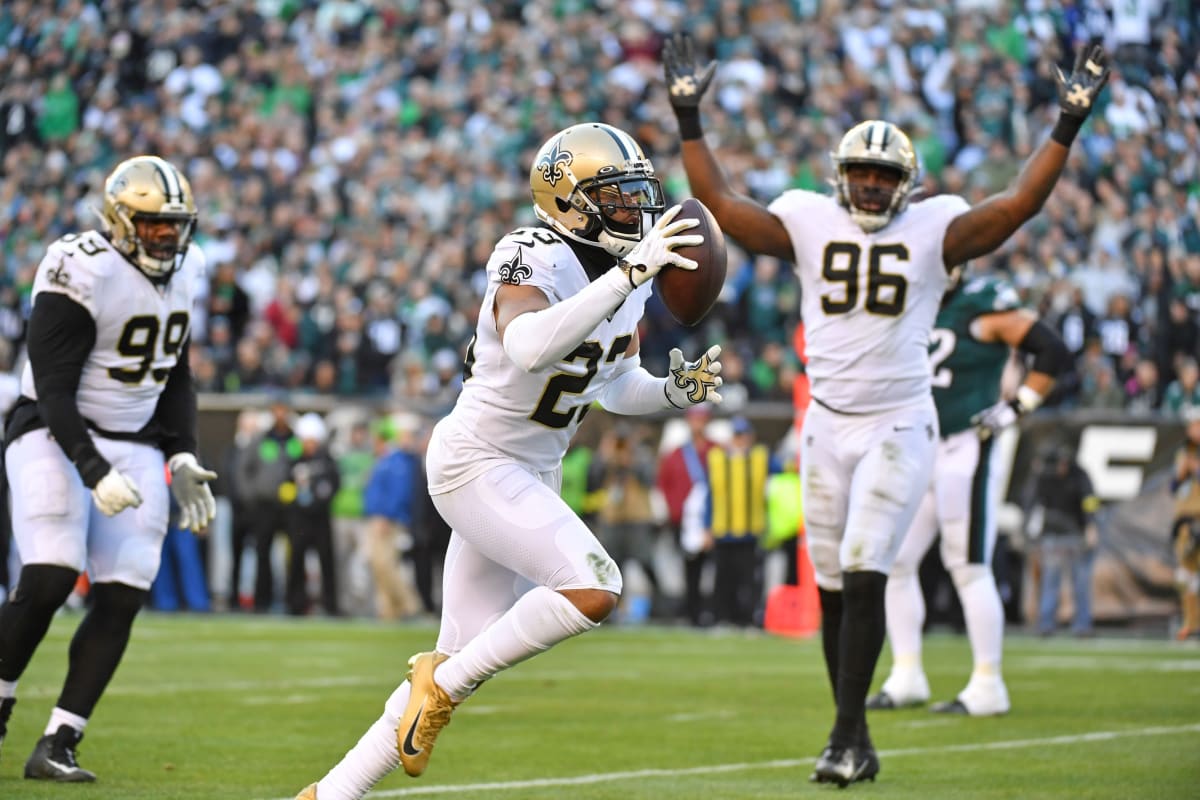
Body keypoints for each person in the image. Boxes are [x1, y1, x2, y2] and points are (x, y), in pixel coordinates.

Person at [662, 31, 1109, 786]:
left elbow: (1019, 205)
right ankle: (854, 731)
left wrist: (1066, 123)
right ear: (842, 178)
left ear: (908, 182)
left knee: (870, 569)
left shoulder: (934, 229)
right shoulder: (808, 217)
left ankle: (846, 734)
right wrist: (688, 120)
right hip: (826, 424)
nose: (870, 186)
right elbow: (721, 206)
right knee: (836, 585)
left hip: (901, 424)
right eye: (861, 174)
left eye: (883, 176)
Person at [293, 121, 723, 800]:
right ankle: (441, 683)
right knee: (594, 587)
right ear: (569, 203)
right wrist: (627, 276)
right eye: (616, 197)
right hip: (476, 461)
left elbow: (613, 386)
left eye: (639, 194)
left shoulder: (626, 279)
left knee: (462, 648)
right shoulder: (531, 252)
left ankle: (332, 793)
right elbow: (527, 346)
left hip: (530, 471)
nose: (635, 212)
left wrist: (670, 392)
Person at [0, 155, 217, 781]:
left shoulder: (190, 269)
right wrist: (92, 467)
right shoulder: (77, 265)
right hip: (51, 429)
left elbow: (175, 369)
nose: (168, 239)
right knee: (50, 576)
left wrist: (181, 453)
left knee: (124, 591)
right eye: (154, 227)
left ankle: (60, 741)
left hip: (137, 439)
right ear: (120, 222)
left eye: (176, 226)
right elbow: (54, 386)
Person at [867, 273, 1070, 717]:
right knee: (895, 560)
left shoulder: (982, 303)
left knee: (969, 567)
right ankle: (906, 674)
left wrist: (1017, 407)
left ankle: (988, 682)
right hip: (918, 444)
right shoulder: (908, 297)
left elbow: (1052, 349)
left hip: (966, 446)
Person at [705, 415, 773, 628]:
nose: (741, 440)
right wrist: (706, 526)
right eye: (737, 435)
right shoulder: (717, 458)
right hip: (724, 530)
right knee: (723, 579)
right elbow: (709, 496)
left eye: (744, 435)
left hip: (750, 530)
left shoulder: (761, 457)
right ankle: (722, 617)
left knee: (750, 580)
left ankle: (748, 618)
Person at [1026, 445, 1100, 636]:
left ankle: (1083, 624)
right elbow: (1031, 501)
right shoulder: (1044, 476)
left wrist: (1091, 526)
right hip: (1052, 535)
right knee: (1050, 580)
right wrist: (1031, 530)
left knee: (1080, 582)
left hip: (1076, 535)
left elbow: (1090, 500)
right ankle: (1046, 624)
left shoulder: (1079, 476)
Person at [656, 403, 716, 626]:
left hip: (711, 521)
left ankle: (712, 611)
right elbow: (665, 484)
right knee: (689, 569)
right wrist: (673, 513)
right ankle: (691, 612)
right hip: (683, 521)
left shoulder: (716, 451)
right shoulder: (676, 454)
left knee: (714, 569)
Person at [282, 412, 341, 617]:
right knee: (296, 560)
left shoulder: (326, 461)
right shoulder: (294, 460)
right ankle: (296, 603)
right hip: (299, 519)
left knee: (327, 561)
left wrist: (318, 500)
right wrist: (293, 497)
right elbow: (285, 486)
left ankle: (330, 604)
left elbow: (334, 485)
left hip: (320, 517)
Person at [1171, 411, 1200, 640]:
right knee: (1185, 577)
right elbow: (1174, 486)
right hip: (1186, 522)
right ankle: (1190, 623)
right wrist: (1182, 473)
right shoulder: (1183, 452)